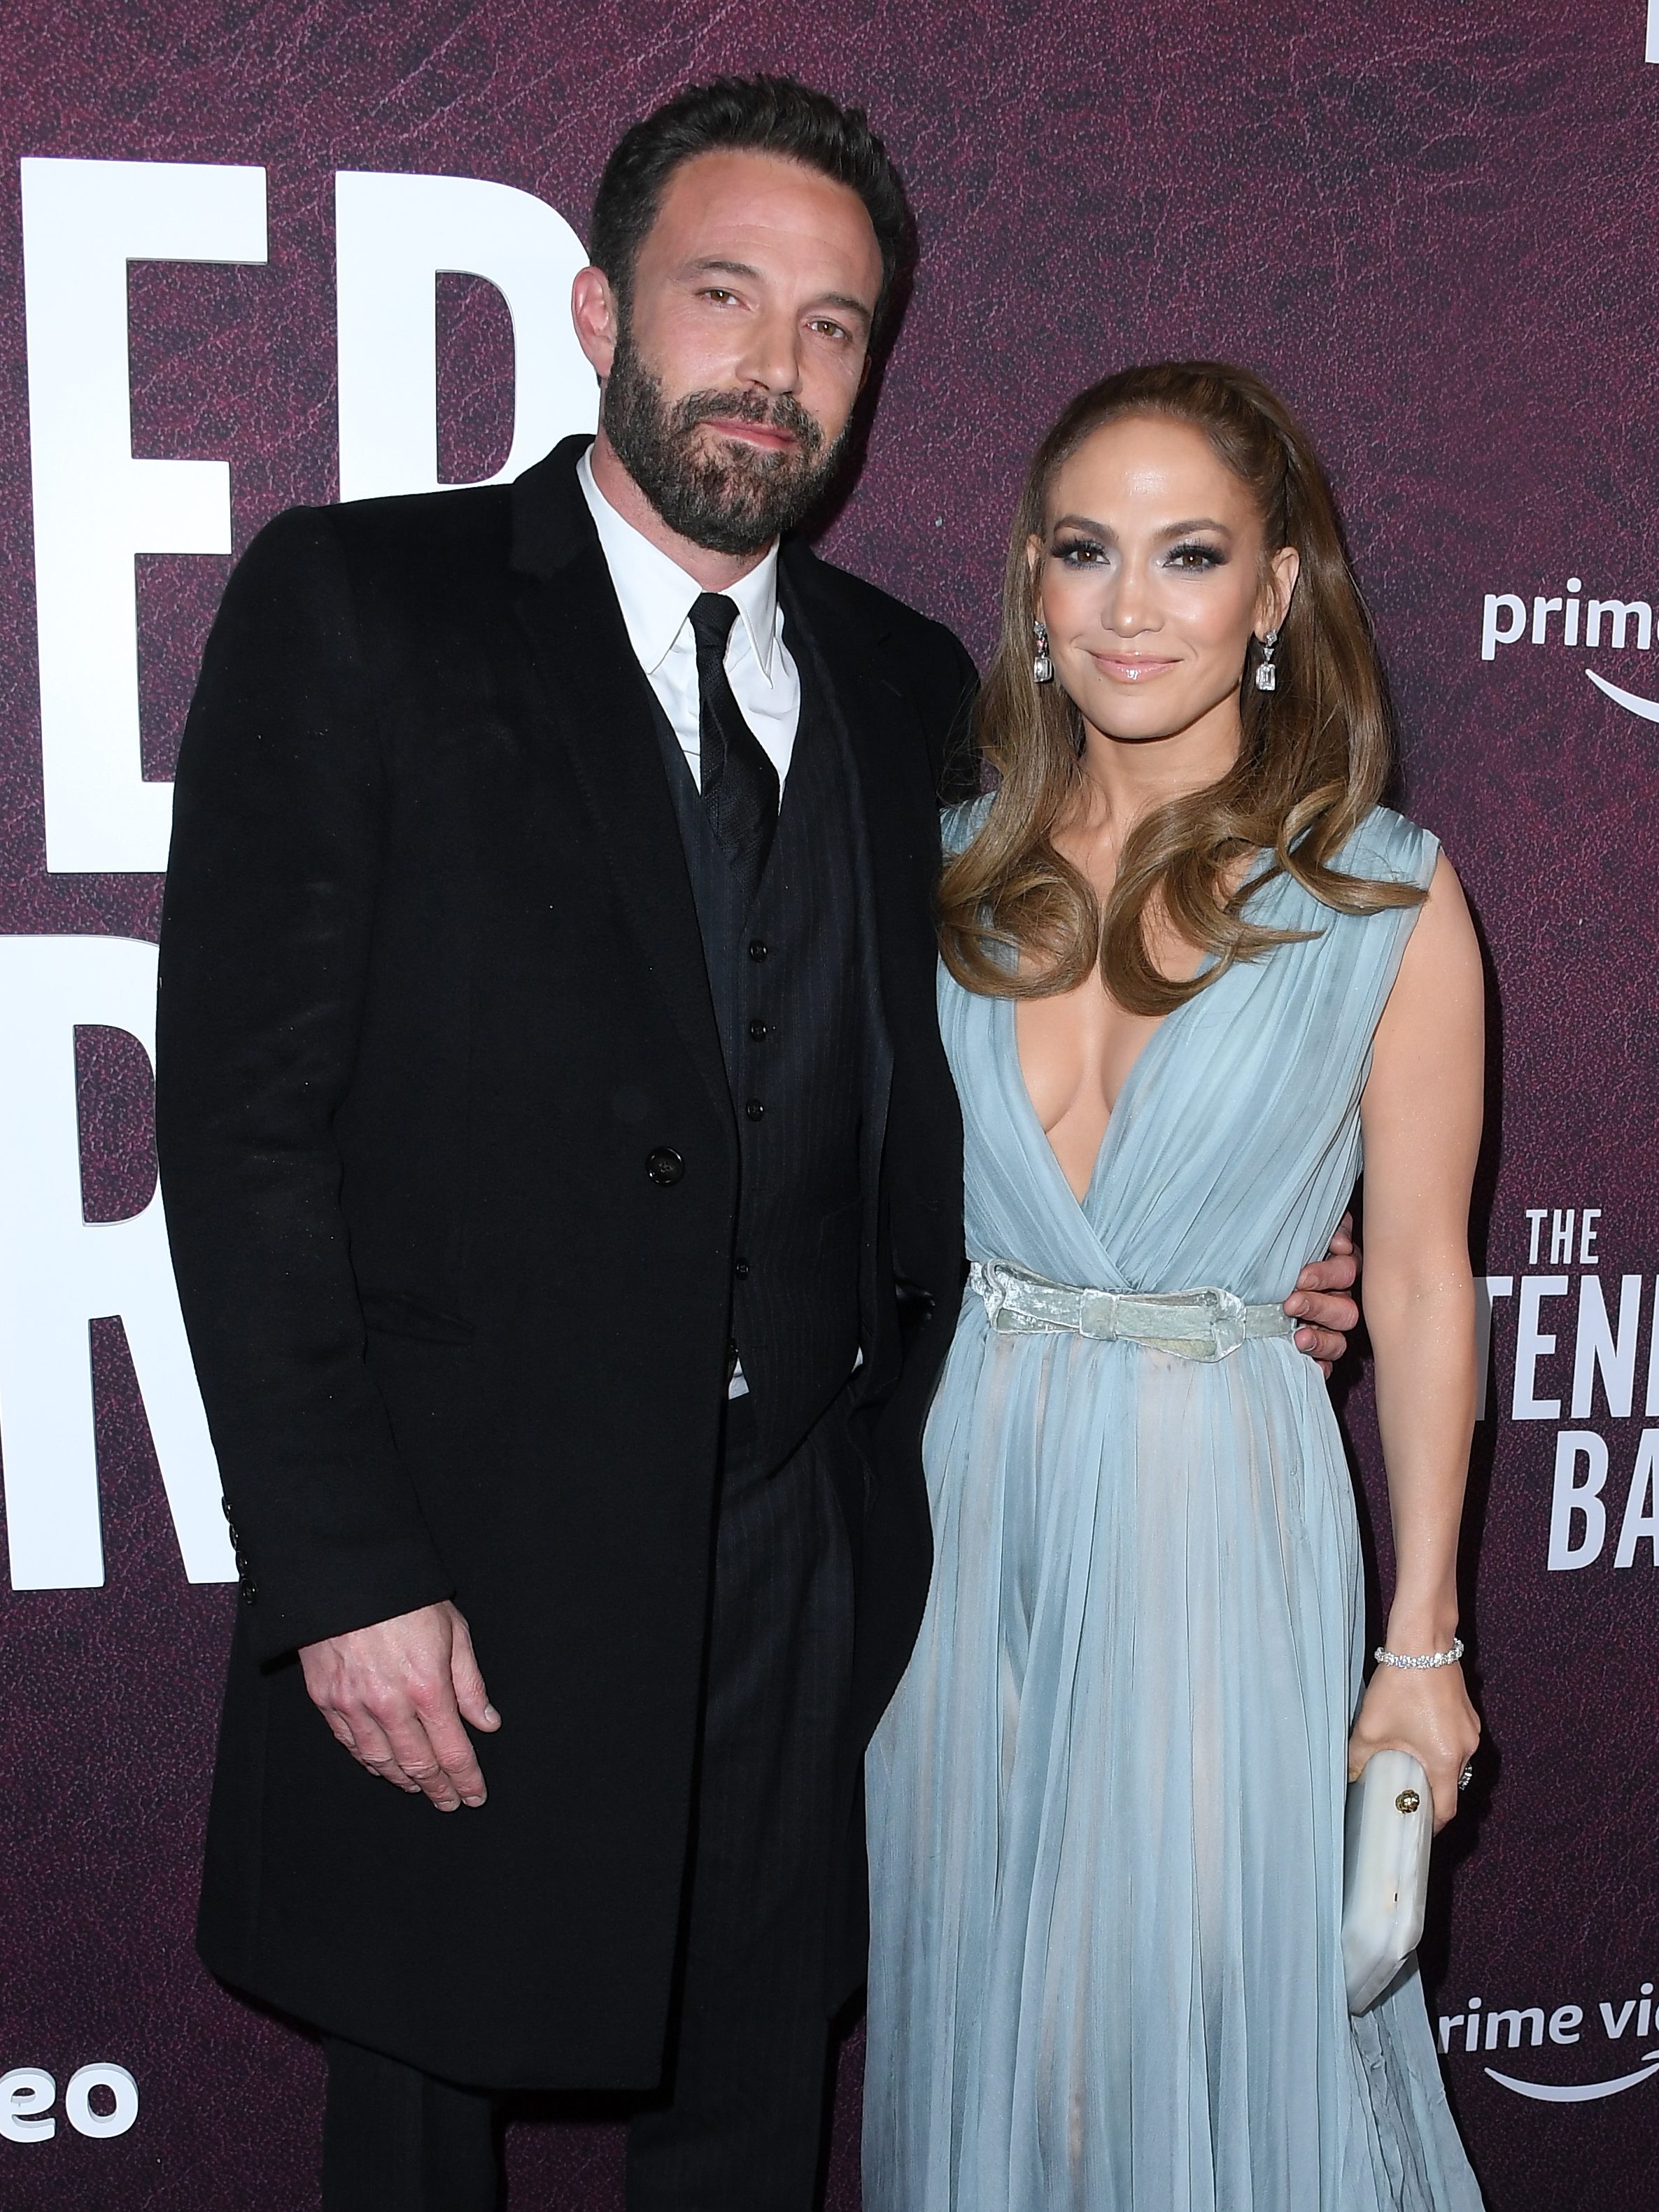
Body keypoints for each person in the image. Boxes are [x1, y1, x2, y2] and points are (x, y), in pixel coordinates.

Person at [155, 78, 1360, 2211]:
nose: (775, 367)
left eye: (833, 325)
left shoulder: (917, 692)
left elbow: (1058, 1028)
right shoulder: (366, 603)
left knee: (746, 2126)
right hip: (466, 1556)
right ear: (600, 304)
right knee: (420, 2118)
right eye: (726, 297)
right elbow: (243, 1135)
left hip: (815, 1552)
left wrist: (1231, 1233)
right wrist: (344, 1570)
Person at [863, 361, 1487, 2212]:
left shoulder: (1379, 896)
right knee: (1004, 2045)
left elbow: (1428, 1279)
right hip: (963, 1510)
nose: (1131, 605)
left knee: (1209, 2036)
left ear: (1277, 592)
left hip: (1216, 1511)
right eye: (1085, 550)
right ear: (1031, 591)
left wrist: (1422, 1647)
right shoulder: (943, 863)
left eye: (1190, 552)